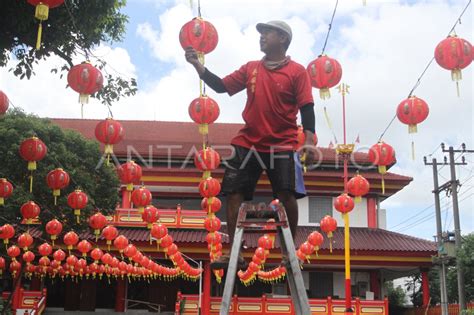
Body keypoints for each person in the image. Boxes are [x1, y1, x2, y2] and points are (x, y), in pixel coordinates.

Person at [185, 20, 316, 268]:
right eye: (261, 33)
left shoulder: (297, 72)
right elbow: (222, 87)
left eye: (268, 32)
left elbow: (307, 106)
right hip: (249, 142)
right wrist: (197, 66)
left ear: (283, 39)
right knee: (234, 194)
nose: (262, 36)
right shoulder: (251, 68)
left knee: (287, 195)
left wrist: (308, 141)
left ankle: (289, 253)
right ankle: (236, 252)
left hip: (283, 144)